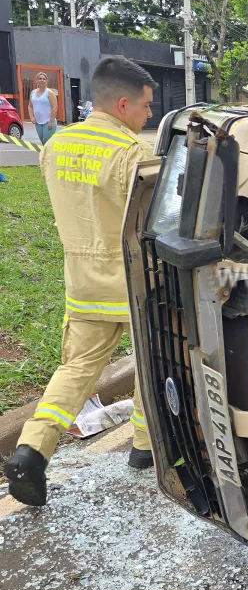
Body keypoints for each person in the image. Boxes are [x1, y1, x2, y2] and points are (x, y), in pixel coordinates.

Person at [4, 57, 157, 506]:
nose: (148, 115)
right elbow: (151, 222)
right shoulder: (133, 154)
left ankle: (32, 449)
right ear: (124, 103)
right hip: (132, 284)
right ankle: (145, 450)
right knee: (151, 364)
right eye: (146, 107)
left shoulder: (55, 147)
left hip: (82, 283)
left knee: (75, 369)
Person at [29, 72, 58, 145]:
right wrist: (32, 117)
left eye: (44, 79)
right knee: (43, 143)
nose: (42, 80)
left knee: (47, 143)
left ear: (46, 81)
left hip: (48, 122)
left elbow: (55, 108)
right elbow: (30, 106)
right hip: (38, 122)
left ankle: (50, 156)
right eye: (40, 79)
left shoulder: (49, 93)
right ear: (36, 80)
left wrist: (51, 121)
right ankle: (47, 156)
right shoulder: (33, 92)